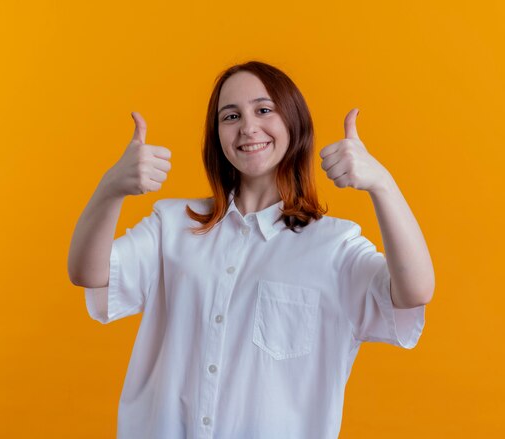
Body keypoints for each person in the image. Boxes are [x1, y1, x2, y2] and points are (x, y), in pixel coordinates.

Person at [68, 60, 434, 438]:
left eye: (263, 110)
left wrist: (382, 184)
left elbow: (414, 292)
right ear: (217, 135)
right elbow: (88, 273)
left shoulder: (334, 248)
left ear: (294, 122)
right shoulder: (172, 225)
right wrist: (111, 188)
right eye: (230, 116)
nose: (247, 127)